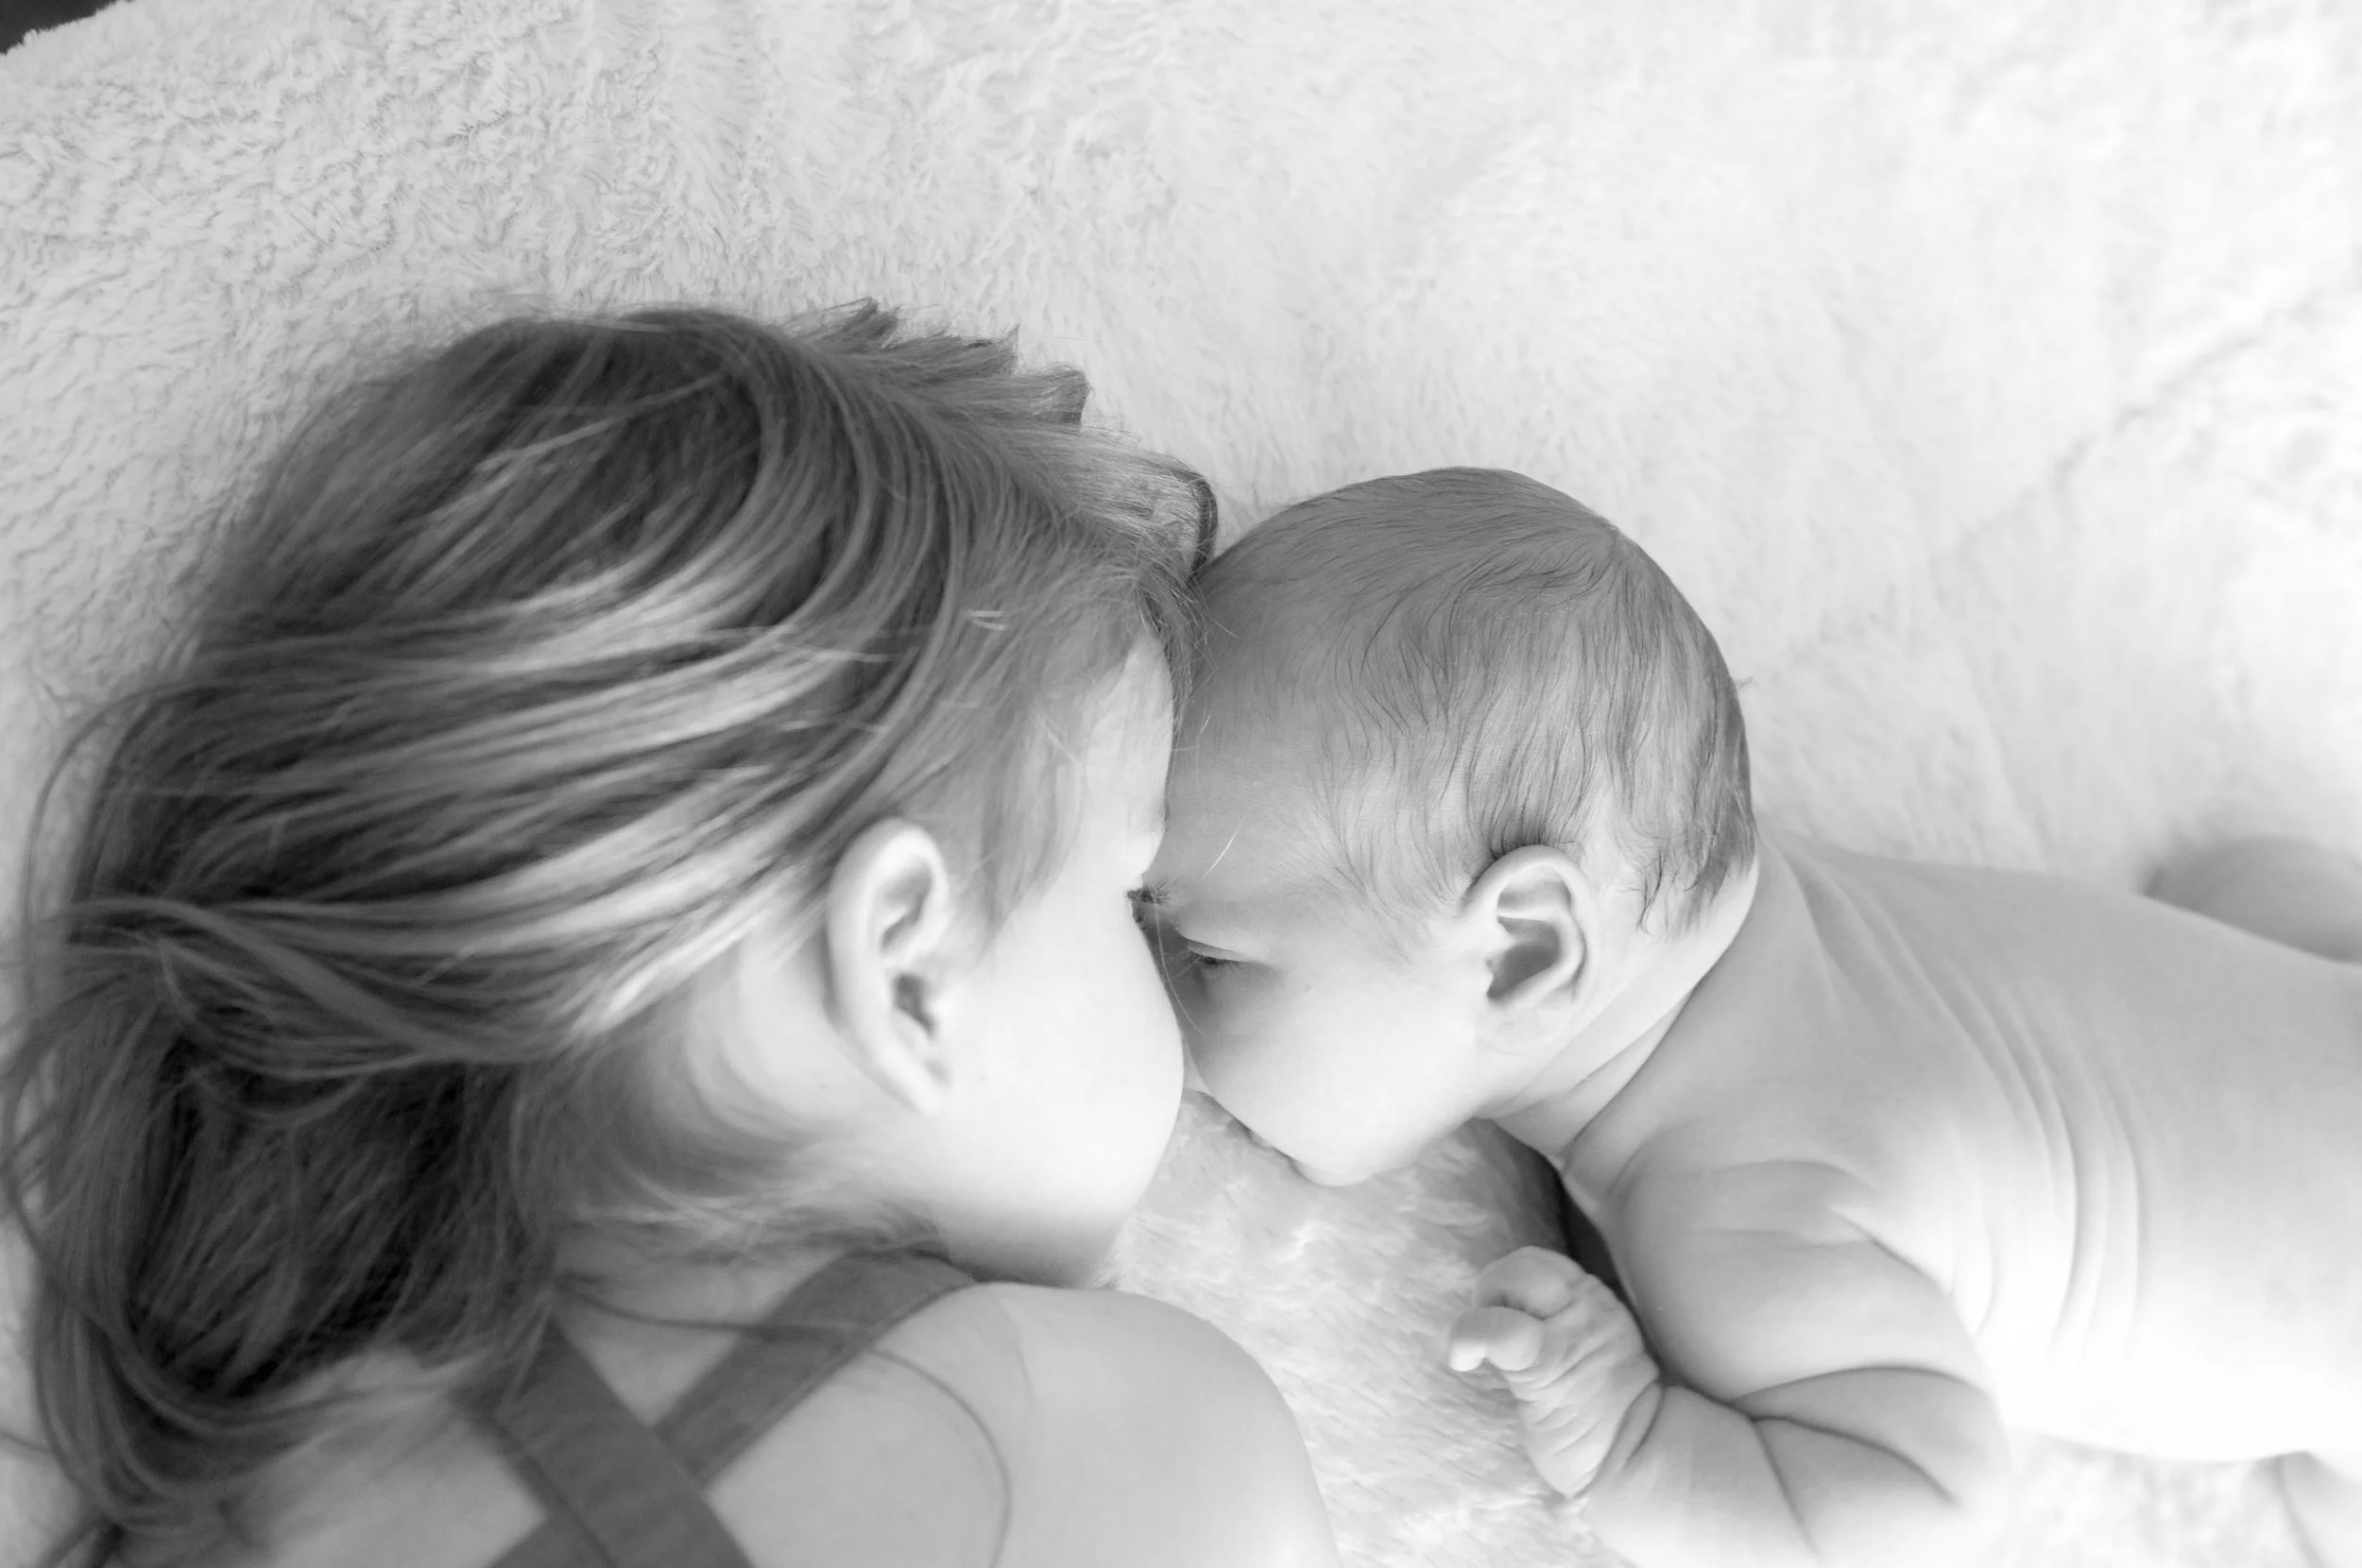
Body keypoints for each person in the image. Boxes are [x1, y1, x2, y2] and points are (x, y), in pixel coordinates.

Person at [2, 304, 1341, 1568]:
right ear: (907, 968)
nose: (1176, 996)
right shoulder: (1107, 1436)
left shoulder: (242, 1491)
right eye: (1133, 900)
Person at [1136, 465, 2362, 1568]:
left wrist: (1629, 1441)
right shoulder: (1783, 906)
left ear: (1521, 952)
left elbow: (1925, 1497)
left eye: (1204, 951)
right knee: (2253, 885)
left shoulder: (1736, 1212)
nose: (1139, 971)